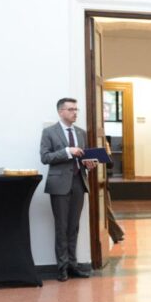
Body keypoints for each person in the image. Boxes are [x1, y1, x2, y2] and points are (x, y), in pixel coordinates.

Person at [40, 97, 97, 281]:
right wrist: (67, 151)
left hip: (79, 182)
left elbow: (83, 157)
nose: (75, 113)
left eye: (76, 109)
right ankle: (62, 267)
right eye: (71, 109)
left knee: (74, 227)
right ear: (61, 112)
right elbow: (45, 157)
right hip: (59, 185)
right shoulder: (49, 132)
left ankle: (73, 265)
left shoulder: (81, 133)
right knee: (61, 227)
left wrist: (88, 163)